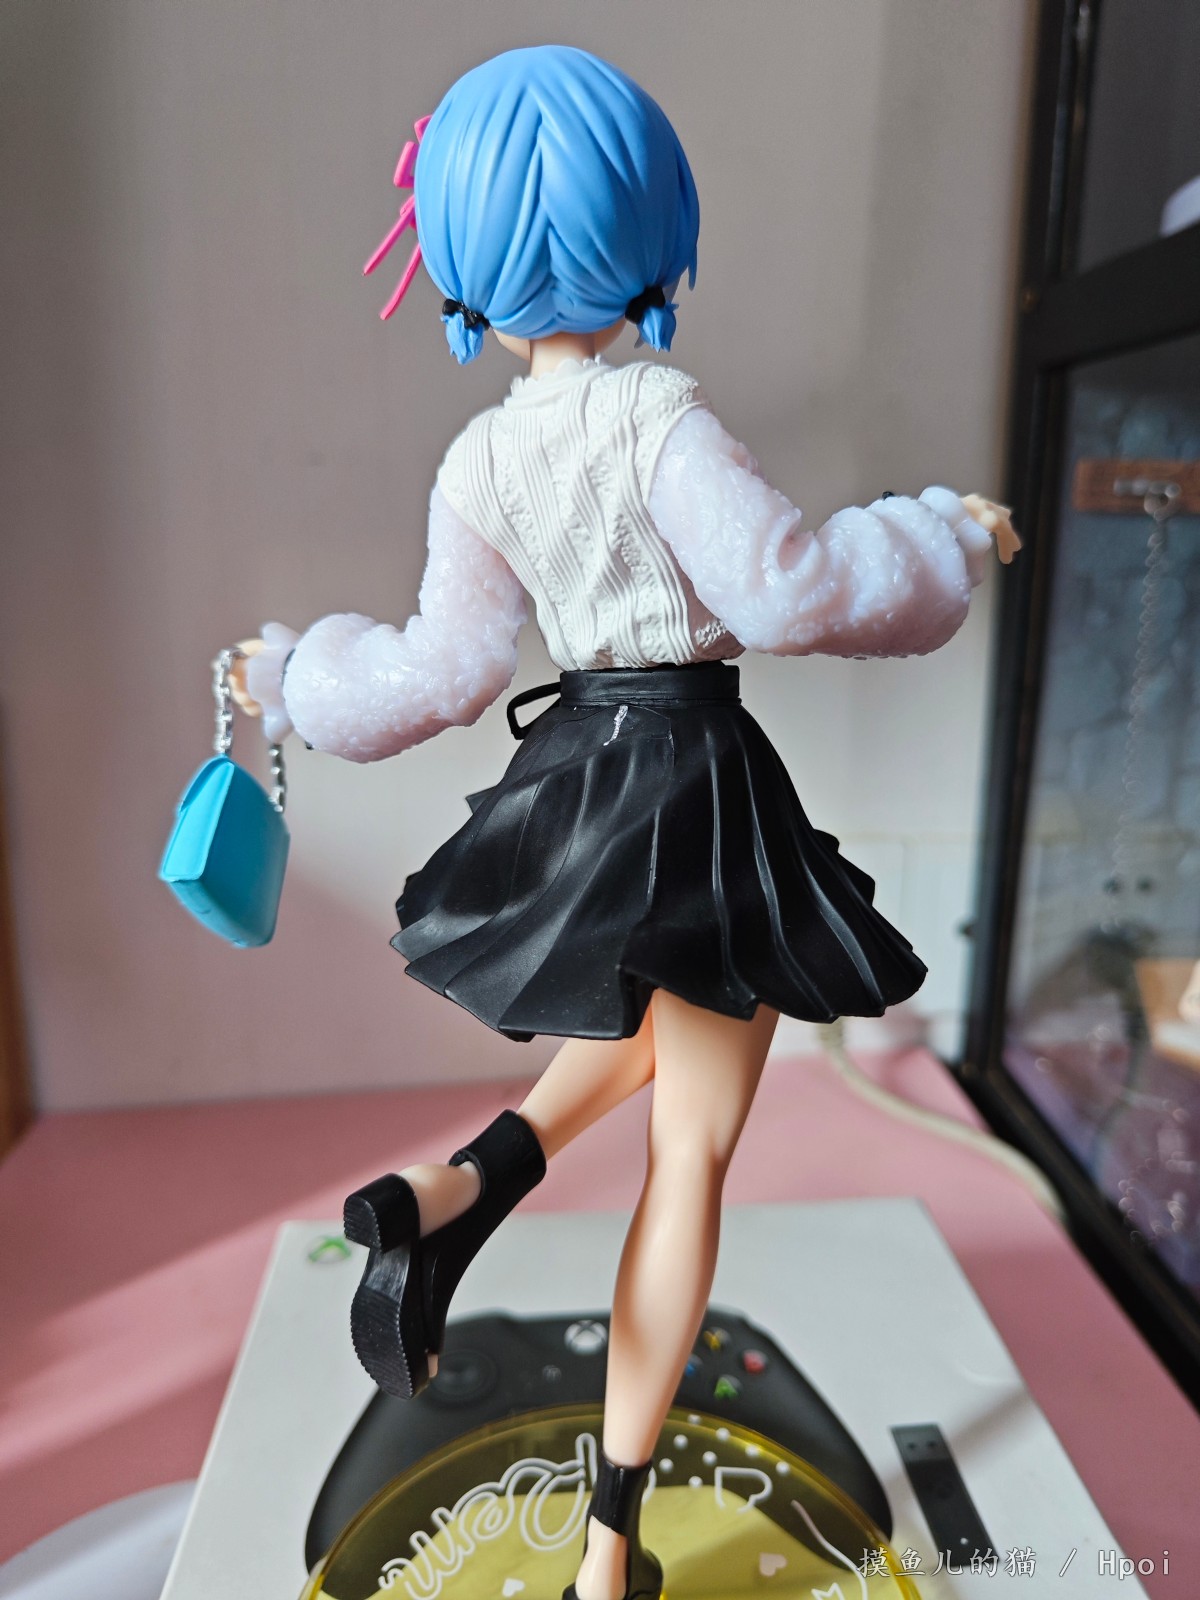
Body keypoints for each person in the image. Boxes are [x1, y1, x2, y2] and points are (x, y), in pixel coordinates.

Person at [232, 44, 1018, 1600]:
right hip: (695, 781)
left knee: (665, 1032)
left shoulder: (481, 461)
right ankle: (607, 1556)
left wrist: (294, 674)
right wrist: (941, 535)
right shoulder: (662, 417)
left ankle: (458, 1189)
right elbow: (790, 590)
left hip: (578, 785)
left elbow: (438, 672)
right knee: (695, 1150)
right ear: (651, 226)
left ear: (453, 256)